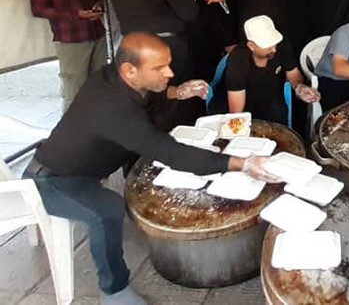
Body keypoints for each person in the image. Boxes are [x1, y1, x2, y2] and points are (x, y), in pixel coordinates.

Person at [23, 33, 281, 305]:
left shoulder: (115, 76)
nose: (170, 73)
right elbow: (171, 153)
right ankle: (113, 291)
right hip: (52, 182)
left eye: (168, 64)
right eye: (159, 68)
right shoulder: (112, 108)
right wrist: (242, 163)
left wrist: (178, 91)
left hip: (83, 170)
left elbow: (149, 94)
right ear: (129, 70)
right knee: (106, 210)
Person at [30, 0, 108, 111]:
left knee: (100, 83)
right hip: (70, 39)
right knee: (74, 88)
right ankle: (70, 126)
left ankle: (98, 122)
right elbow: (39, 9)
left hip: (97, 34)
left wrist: (97, 7)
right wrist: (76, 14)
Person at [213, 15, 320, 124]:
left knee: (278, 113)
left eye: (274, 44)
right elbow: (236, 112)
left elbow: (293, 72)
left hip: (270, 96)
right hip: (241, 98)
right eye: (268, 46)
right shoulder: (238, 61)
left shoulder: (281, 44)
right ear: (251, 46)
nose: (274, 49)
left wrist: (299, 87)